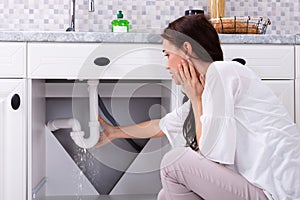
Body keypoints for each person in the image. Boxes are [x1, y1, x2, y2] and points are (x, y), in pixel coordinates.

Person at [96, 14, 300, 200]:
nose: (166, 65)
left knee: (174, 162)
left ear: (187, 49)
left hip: (278, 193)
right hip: (258, 189)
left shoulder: (222, 73)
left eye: (167, 54)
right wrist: (114, 132)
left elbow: (210, 155)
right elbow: (162, 125)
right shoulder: (207, 88)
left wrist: (195, 99)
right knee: (164, 195)